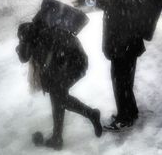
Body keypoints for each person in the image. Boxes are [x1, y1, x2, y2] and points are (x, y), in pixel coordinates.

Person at [16, 20, 102, 150]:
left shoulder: (41, 39)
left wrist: (21, 47)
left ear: (27, 38)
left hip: (74, 63)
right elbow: (28, 57)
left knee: (58, 96)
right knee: (57, 96)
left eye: (23, 40)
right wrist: (22, 45)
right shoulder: (37, 34)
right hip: (66, 62)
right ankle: (58, 137)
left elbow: (24, 57)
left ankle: (91, 114)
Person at [91, 0, 146, 132]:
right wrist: (99, 1)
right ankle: (131, 110)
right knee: (125, 81)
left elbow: (123, 18)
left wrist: (119, 48)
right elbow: (115, 10)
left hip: (124, 46)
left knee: (120, 82)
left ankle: (124, 117)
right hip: (127, 45)